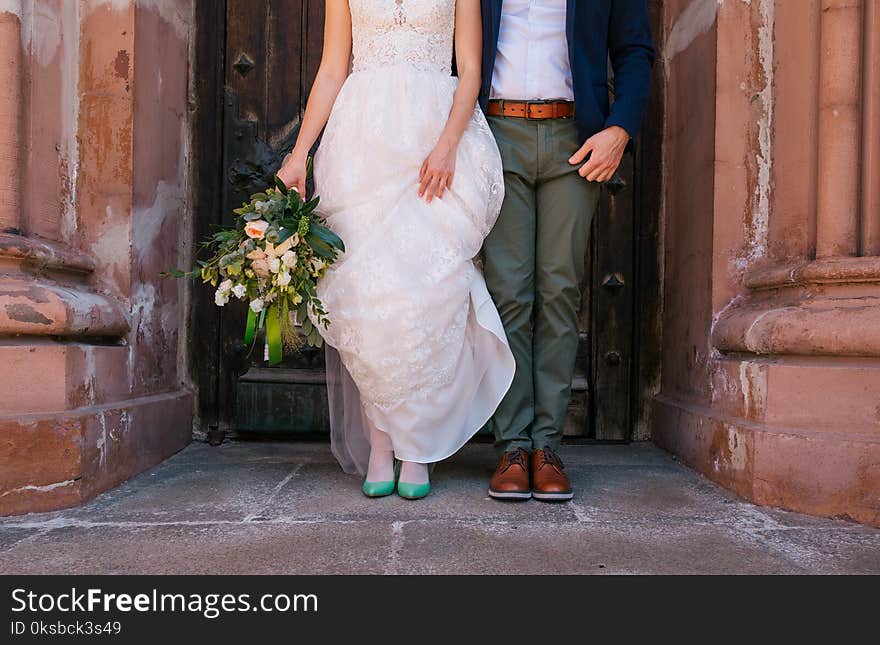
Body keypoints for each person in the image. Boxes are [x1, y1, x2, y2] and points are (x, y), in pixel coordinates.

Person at [278, 0, 515, 500]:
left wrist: (449, 144)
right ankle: (381, 443)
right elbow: (331, 68)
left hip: (436, 137)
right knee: (370, 299)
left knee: (427, 295)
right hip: (361, 143)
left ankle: (417, 447)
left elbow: (470, 68)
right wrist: (300, 153)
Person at [481, 0, 655, 501]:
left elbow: (635, 50)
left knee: (559, 289)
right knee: (508, 292)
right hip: (495, 134)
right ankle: (513, 447)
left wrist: (619, 129)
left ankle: (548, 447)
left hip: (574, 139)